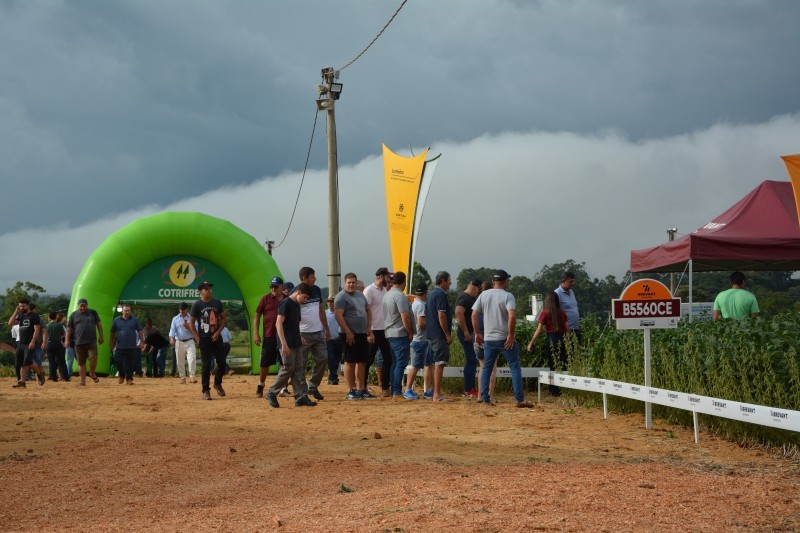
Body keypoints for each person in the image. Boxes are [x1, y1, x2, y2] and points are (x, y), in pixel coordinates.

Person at [472, 269, 533, 408]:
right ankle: (519, 399)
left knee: (487, 367)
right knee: (514, 367)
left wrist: (477, 333)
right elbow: (512, 316)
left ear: (493, 281)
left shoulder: (483, 295)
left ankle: (485, 398)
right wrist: (511, 335)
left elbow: (474, 315)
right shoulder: (508, 296)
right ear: (505, 281)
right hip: (505, 338)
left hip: (489, 338)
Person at [265, 283, 317, 408]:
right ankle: (271, 392)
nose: (305, 300)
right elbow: (278, 324)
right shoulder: (286, 303)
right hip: (286, 343)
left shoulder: (296, 305)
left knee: (298, 369)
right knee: (288, 368)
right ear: (298, 292)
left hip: (296, 342)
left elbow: (295, 324)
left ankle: (300, 396)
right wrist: (283, 344)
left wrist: (300, 336)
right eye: (304, 297)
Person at [334, 273, 375, 400]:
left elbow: (368, 310)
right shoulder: (341, 297)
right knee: (350, 361)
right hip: (348, 334)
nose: (351, 285)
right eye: (349, 282)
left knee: (362, 361)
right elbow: (338, 315)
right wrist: (347, 331)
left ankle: (361, 388)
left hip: (361, 333)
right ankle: (350, 390)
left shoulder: (360, 295)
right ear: (345, 283)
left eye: (353, 282)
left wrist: (369, 327)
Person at [188, 281, 229, 400]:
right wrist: (197, 337)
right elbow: (191, 323)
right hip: (204, 339)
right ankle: (205, 390)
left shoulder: (217, 302)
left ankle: (217, 383)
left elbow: (224, 319)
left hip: (216, 337)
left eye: (210, 288)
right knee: (206, 365)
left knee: (221, 362)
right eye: (206, 288)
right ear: (200, 291)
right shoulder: (197, 305)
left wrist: (218, 332)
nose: (209, 290)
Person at [296, 267, 331, 401]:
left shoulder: (316, 290)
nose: (315, 279)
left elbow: (321, 309)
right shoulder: (297, 292)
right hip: (303, 334)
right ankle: (303, 390)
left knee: (323, 359)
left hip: (318, 332)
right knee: (301, 364)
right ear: (304, 278)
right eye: (312, 277)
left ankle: (313, 386)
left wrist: (326, 328)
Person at [527, 291, 570, 396]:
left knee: (552, 365)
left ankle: (553, 390)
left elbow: (539, 330)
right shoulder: (562, 312)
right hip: (562, 338)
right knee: (563, 364)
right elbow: (568, 329)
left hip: (551, 339)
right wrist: (569, 341)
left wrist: (531, 342)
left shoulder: (545, 313)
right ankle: (564, 388)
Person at [382, 271, 415, 399]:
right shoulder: (400, 296)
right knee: (401, 363)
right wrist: (410, 331)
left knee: (395, 363)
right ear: (404, 282)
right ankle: (396, 391)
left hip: (389, 333)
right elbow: (405, 316)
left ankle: (393, 390)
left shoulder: (387, 295)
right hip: (399, 333)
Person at [363, 267, 393, 395]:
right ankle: (362, 386)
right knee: (369, 359)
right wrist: (369, 331)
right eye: (388, 277)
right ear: (381, 276)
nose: (389, 279)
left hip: (384, 330)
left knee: (388, 358)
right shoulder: (369, 290)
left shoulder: (385, 290)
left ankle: (385, 387)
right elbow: (365, 311)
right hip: (373, 329)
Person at [426, 271, 453, 401]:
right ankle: (437, 394)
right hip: (439, 335)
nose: (450, 283)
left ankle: (434, 392)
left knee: (434, 364)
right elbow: (441, 315)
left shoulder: (431, 293)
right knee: (439, 364)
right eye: (449, 280)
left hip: (431, 334)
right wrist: (447, 334)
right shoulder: (440, 294)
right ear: (442, 281)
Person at [65, 298, 104, 386]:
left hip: (91, 342)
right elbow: (69, 329)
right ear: (78, 306)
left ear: (87, 305)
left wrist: (101, 336)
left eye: (84, 306)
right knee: (81, 362)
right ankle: (82, 381)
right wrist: (67, 340)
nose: (82, 308)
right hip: (79, 343)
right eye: (81, 306)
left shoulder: (93, 313)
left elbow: (99, 324)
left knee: (93, 359)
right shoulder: (73, 315)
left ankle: (92, 373)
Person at [9, 299, 45, 388]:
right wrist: (15, 312)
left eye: (23, 306)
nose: (22, 308)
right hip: (21, 343)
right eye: (20, 306)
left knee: (28, 362)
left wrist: (33, 342)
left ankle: (39, 373)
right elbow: (10, 323)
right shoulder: (20, 315)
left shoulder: (34, 316)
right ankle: (22, 381)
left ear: (28, 305)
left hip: (30, 343)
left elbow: (37, 330)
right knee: (21, 363)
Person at [406, 283, 433, 400]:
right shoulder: (421, 305)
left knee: (428, 365)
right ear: (426, 292)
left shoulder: (414, 303)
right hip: (420, 339)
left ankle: (428, 390)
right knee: (416, 366)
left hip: (419, 339)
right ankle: (408, 390)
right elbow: (421, 323)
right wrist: (432, 327)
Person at [455, 279, 482, 397]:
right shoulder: (465, 298)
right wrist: (465, 331)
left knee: (472, 360)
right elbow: (458, 312)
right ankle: (468, 389)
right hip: (465, 333)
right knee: (471, 359)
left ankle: (470, 388)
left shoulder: (469, 298)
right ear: (474, 287)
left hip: (468, 332)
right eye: (478, 289)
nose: (478, 292)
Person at [109, 304, 144, 385]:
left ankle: (129, 379)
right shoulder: (116, 320)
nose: (127, 312)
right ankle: (121, 375)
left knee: (130, 364)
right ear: (122, 311)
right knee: (117, 360)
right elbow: (112, 331)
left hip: (132, 346)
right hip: (120, 346)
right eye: (126, 310)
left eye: (128, 310)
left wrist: (142, 342)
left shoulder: (135, 320)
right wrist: (111, 342)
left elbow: (140, 331)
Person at [475, 280, 498, 403]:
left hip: (477, 338)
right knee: (492, 368)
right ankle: (490, 395)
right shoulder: (492, 304)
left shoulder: (478, 303)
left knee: (482, 368)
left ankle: (480, 395)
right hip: (490, 339)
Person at [169, 302, 197, 384]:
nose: (181, 311)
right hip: (179, 342)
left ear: (186, 309)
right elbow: (172, 330)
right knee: (179, 361)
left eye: (183, 309)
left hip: (189, 341)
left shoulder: (192, 318)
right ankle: (182, 377)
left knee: (192, 358)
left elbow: (196, 331)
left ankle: (192, 376)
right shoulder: (175, 319)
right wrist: (171, 338)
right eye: (180, 309)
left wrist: (188, 327)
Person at [555, 271, 580, 342]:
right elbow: (555, 312)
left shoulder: (571, 292)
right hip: (565, 331)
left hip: (575, 329)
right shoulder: (557, 293)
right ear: (563, 281)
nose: (573, 284)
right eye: (570, 282)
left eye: (573, 281)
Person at [43, 312, 68, 381]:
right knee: (62, 361)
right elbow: (64, 334)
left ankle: (53, 377)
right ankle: (65, 377)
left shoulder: (47, 325)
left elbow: (45, 335)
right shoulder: (59, 325)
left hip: (49, 344)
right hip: (58, 344)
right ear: (56, 317)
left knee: (51, 362)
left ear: (49, 317)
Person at [325, 297, 343, 385]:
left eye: (332, 302)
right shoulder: (325, 314)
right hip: (329, 340)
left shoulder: (340, 313)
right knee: (331, 359)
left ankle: (332, 376)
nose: (330, 304)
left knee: (337, 359)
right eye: (328, 302)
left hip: (339, 339)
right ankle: (333, 377)